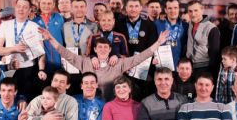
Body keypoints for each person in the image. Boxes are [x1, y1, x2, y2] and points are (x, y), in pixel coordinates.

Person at [40, 22, 169, 100]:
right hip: (91, 104)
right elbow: (65, 53)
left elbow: (140, 57)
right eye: (100, 47)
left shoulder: (119, 63)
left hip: (112, 105)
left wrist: (158, 43)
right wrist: (51, 38)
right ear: (95, 49)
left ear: (110, 49)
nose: (102, 49)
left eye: (105, 47)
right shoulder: (85, 62)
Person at [0, 0, 46, 99]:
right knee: (8, 99)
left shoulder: (35, 27)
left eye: (25, 7)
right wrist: (14, 48)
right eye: (19, 6)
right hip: (9, 68)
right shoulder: (5, 25)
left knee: (26, 100)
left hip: (28, 70)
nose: (21, 9)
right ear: (15, 7)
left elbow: (41, 52)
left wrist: (41, 70)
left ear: (29, 10)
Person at [185, 0, 221, 77]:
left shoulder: (212, 28)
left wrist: (210, 72)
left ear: (202, 10)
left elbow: (214, 53)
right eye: (190, 11)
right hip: (189, 67)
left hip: (204, 68)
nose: (193, 14)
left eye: (196, 10)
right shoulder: (189, 25)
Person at [32, 0, 66, 74]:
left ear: (54, 4)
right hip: (42, 64)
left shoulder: (60, 18)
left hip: (60, 62)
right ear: (39, 4)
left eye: (49, 3)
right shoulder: (34, 22)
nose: (46, 6)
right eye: (43, 3)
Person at [154, 0, 188, 68]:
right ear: (165, 10)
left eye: (175, 8)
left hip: (180, 68)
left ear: (179, 9)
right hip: (161, 68)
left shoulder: (186, 26)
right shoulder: (157, 24)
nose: (173, 11)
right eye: (170, 8)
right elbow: (151, 45)